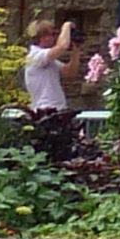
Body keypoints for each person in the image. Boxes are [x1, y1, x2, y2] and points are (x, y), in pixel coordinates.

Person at [21, 18, 81, 165]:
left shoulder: (48, 60)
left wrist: (76, 51)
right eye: (51, 34)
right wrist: (66, 25)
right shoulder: (36, 56)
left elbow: (70, 72)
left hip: (57, 111)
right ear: (41, 37)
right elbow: (61, 47)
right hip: (46, 113)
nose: (54, 37)